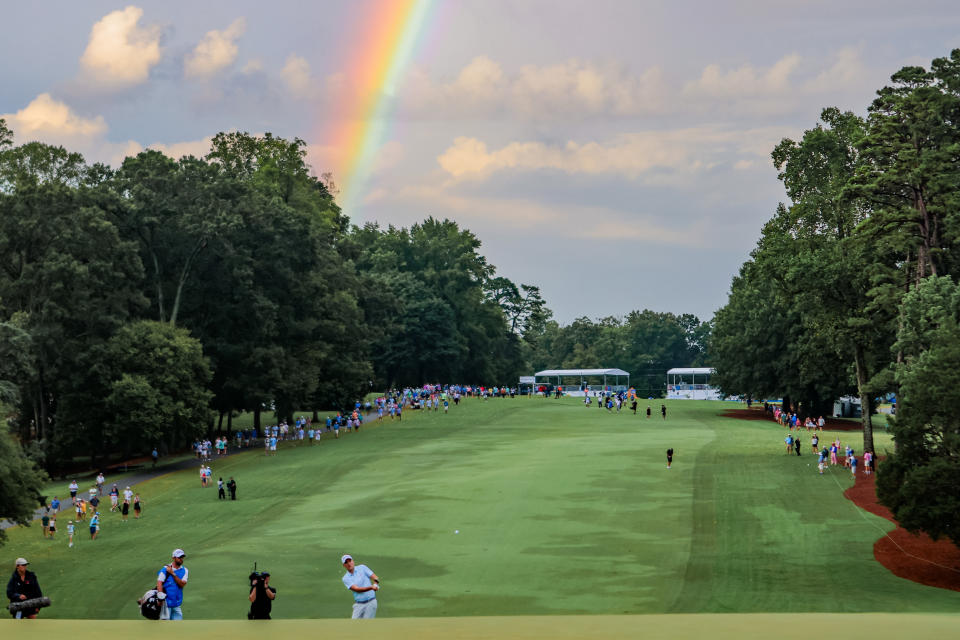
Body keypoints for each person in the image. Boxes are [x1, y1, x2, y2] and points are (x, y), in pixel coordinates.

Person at [341, 555, 379, 619]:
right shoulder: (345, 578)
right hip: (358, 605)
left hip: (371, 602)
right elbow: (357, 589)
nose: (349, 564)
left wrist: (375, 584)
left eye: (350, 561)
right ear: (344, 565)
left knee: (367, 625)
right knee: (354, 625)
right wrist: (371, 587)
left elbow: (375, 577)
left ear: (353, 561)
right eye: (346, 562)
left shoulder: (362, 568)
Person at [157, 549, 189, 620]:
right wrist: (160, 598)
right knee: (165, 628)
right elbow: (159, 582)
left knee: (178, 627)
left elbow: (182, 584)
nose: (181, 559)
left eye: (182, 557)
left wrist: (173, 573)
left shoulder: (185, 570)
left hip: (176, 604)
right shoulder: (165, 569)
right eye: (179, 557)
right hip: (165, 605)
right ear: (173, 558)